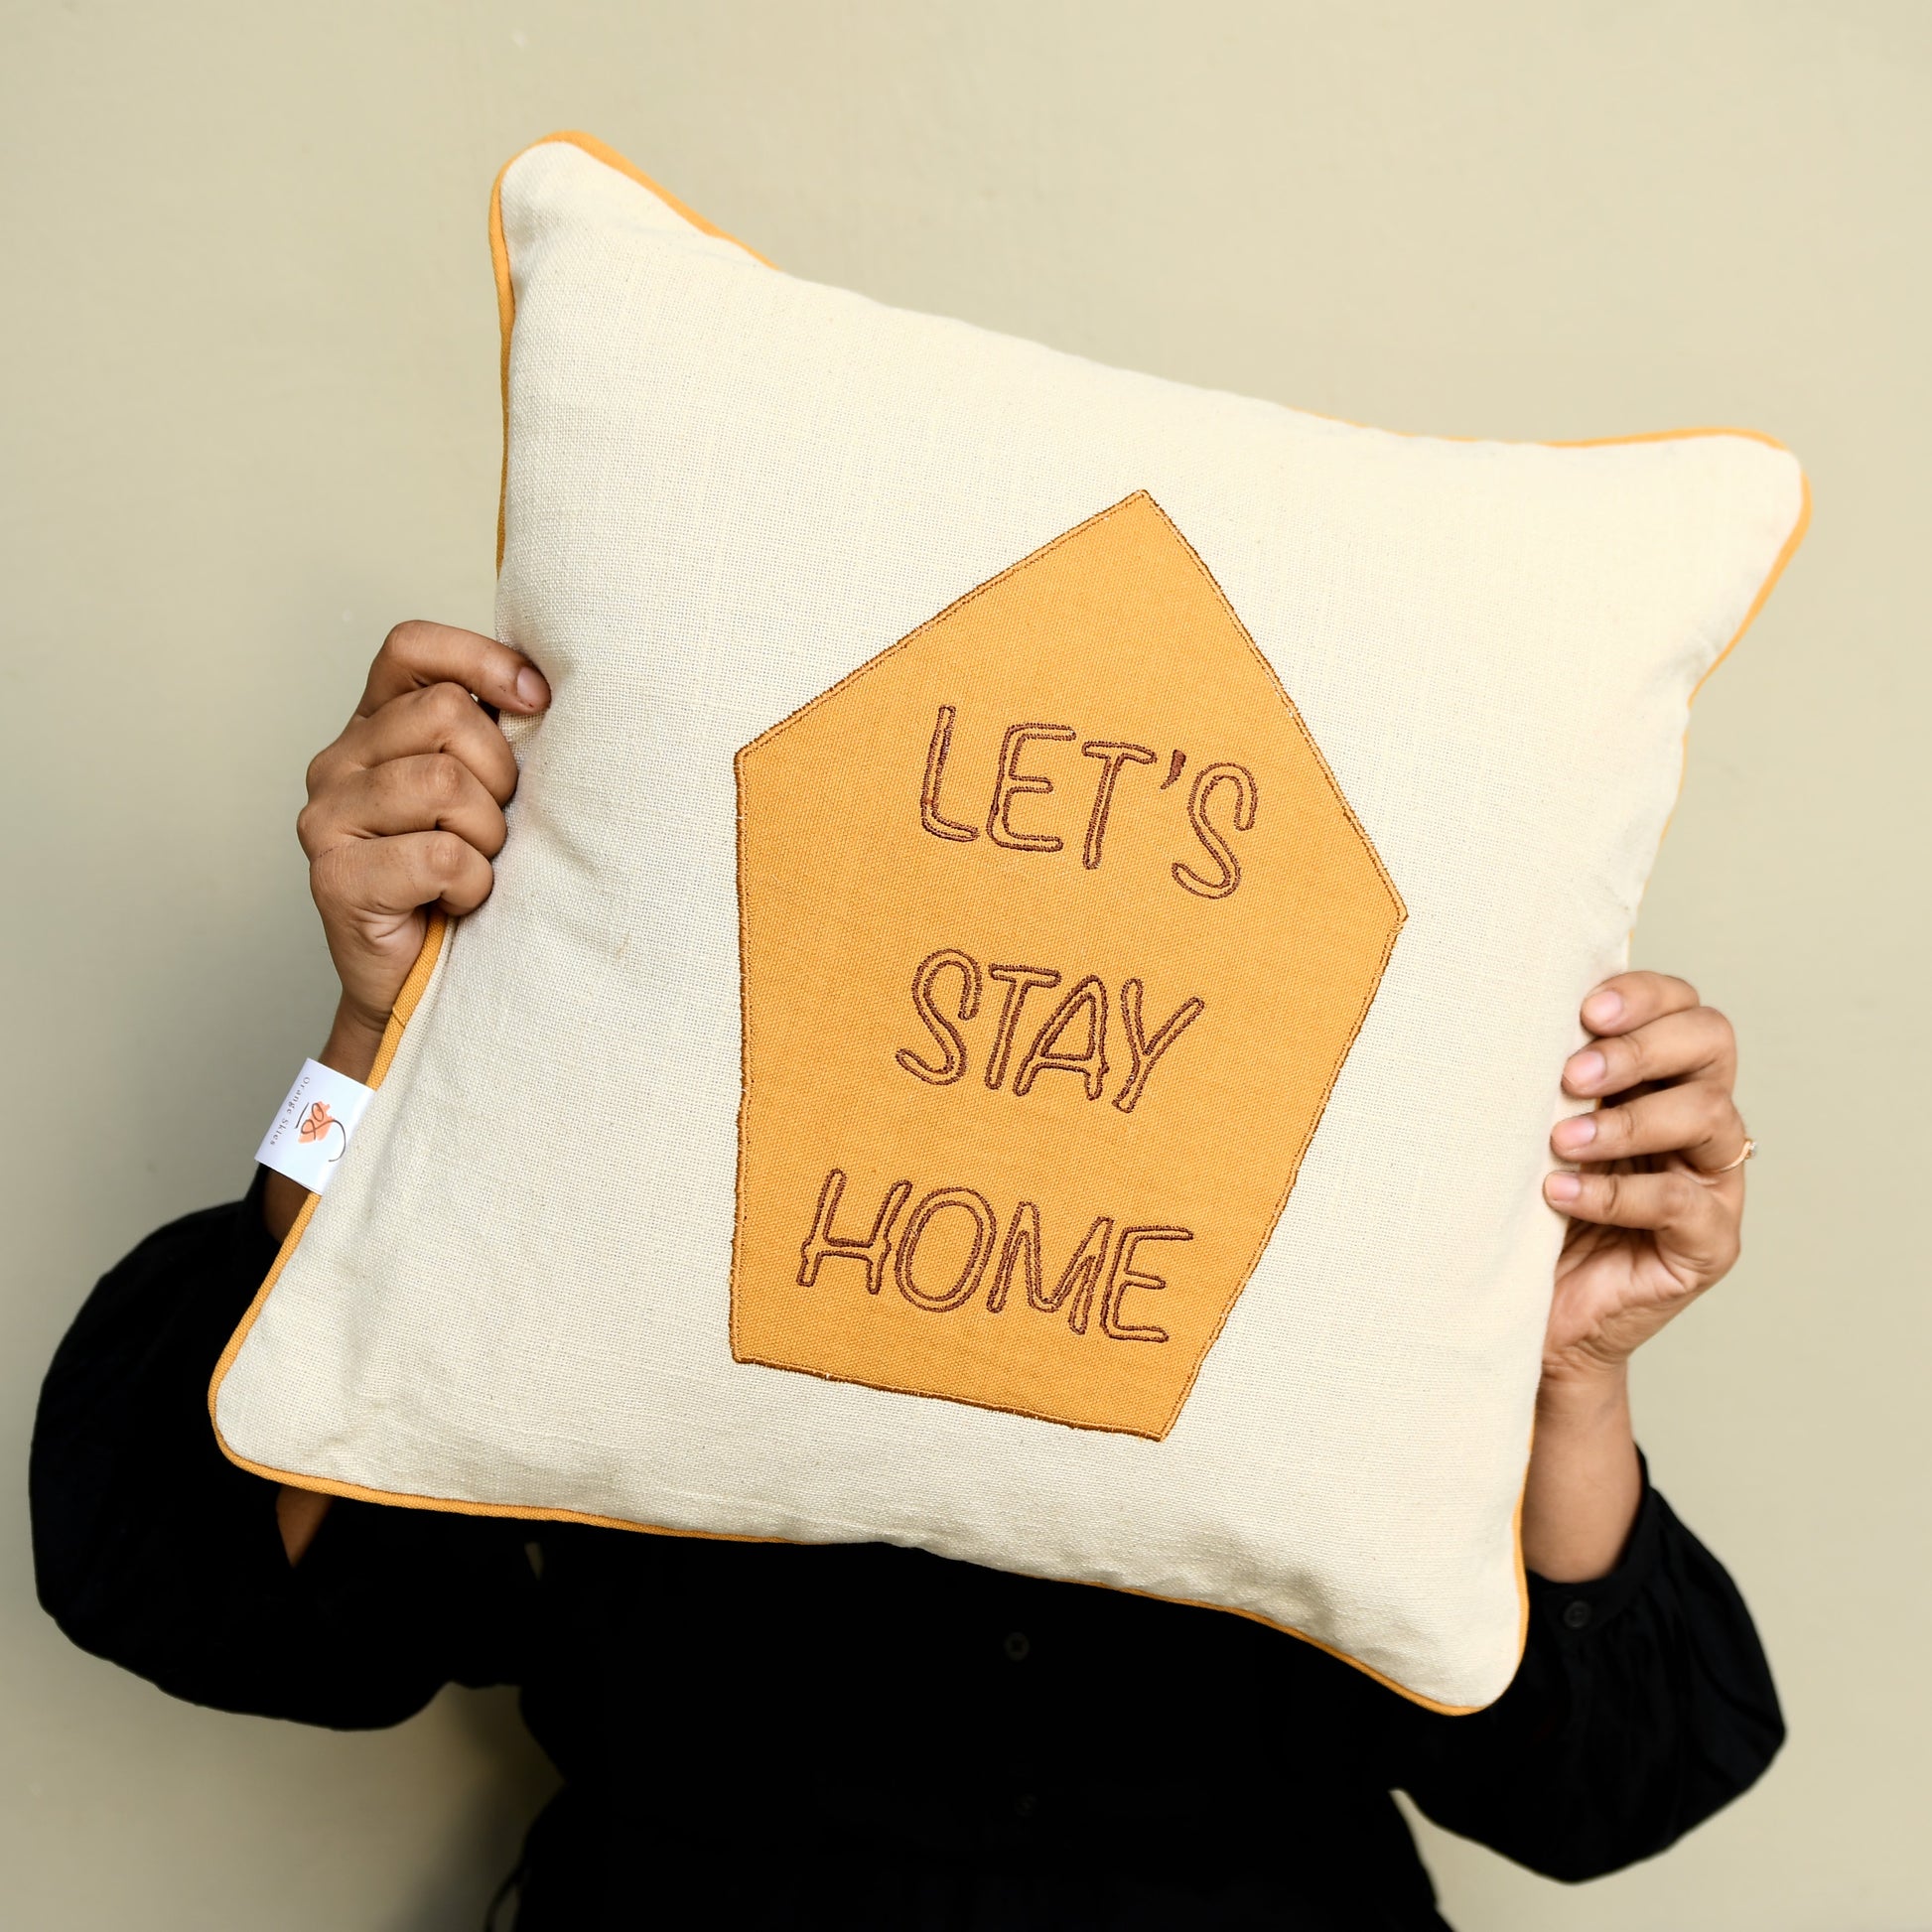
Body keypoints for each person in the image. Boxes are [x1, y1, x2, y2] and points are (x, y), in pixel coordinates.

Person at [31, 623, 1781, 1930]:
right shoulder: (640, 1165)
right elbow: (193, 1582)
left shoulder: (1332, 1255)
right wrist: (373, 1040)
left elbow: (1602, 1791)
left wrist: (1570, 1372)